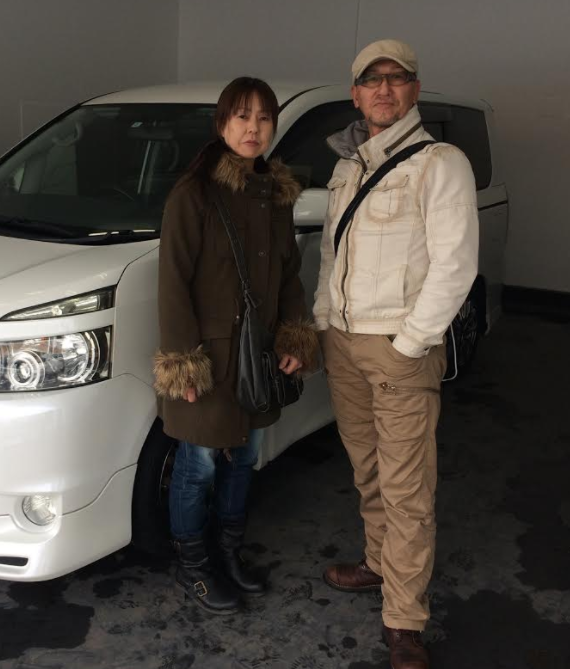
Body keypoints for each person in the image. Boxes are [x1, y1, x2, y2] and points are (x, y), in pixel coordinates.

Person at [314, 40, 478, 668]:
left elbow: (455, 265)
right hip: (345, 344)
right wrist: (324, 322)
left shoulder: (440, 163)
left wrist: (411, 342)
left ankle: (405, 618)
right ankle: (379, 564)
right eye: (371, 79)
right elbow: (332, 255)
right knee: (368, 470)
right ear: (355, 94)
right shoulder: (348, 166)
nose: (384, 88)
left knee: (408, 487)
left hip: (397, 347)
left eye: (397, 77)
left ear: (415, 90)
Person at [153, 77, 318, 615]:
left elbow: (288, 273)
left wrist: (294, 334)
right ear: (222, 123)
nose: (254, 128)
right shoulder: (194, 194)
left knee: (243, 459)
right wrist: (184, 364)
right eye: (242, 116)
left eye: (264, 117)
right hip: (209, 359)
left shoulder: (275, 194)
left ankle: (228, 553)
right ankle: (194, 567)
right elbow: (173, 282)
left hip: (257, 357)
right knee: (197, 464)